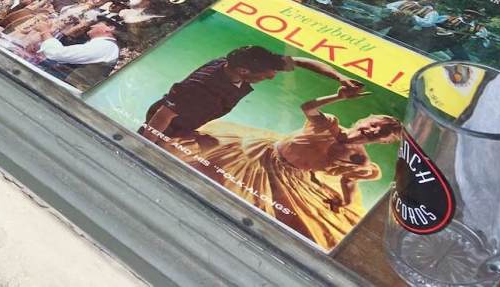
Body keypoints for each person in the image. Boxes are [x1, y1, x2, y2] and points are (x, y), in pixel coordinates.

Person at [189, 85, 402, 249]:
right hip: (263, 153)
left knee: (279, 218)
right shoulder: (328, 124)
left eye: (382, 133)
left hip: (292, 176)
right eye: (374, 124)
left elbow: (348, 181)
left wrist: (345, 202)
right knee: (208, 171)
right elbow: (308, 107)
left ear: (383, 142)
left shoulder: (359, 159)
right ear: (363, 120)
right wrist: (338, 96)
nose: (373, 131)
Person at [140, 45, 363, 149]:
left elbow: (304, 62)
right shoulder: (200, 84)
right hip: (169, 123)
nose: (273, 75)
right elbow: (163, 115)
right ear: (244, 72)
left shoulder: (252, 62)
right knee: (153, 149)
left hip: (194, 118)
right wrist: (145, 145)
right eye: (267, 75)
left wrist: (339, 77)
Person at [36, 20, 120, 90]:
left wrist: (45, 31)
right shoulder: (104, 45)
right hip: (57, 86)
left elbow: (57, 53)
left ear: (110, 28)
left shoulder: (106, 46)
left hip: (60, 89)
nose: (92, 26)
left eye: (97, 24)